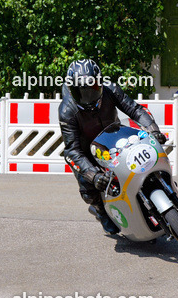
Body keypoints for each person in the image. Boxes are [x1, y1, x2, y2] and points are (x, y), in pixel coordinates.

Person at [58, 59, 167, 235]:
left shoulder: (111, 90)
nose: (87, 96)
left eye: (92, 89)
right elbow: (71, 151)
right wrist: (92, 175)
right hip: (87, 152)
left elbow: (135, 109)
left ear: (100, 83)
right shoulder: (66, 110)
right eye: (81, 91)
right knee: (89, 190)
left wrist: (153, 130)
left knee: (143, 163)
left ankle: (161, 192)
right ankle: (101, 211)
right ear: (71, 89)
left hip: (114, 139)